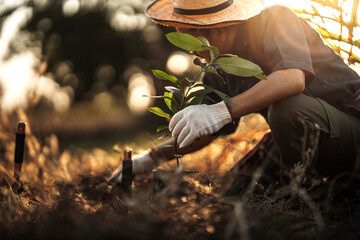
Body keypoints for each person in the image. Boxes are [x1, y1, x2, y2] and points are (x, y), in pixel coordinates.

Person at [110, 0, 360, 184]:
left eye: (191, 39)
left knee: (286, 110)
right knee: (237, 187)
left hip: (350, 122)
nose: (189, 50)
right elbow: (209, 130)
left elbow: (292, 78)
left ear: (219, 28)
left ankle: (309, 192)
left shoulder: (275, 19)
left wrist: (221, 111)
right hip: (312, 132)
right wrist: (153, 157)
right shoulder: (219, 67)